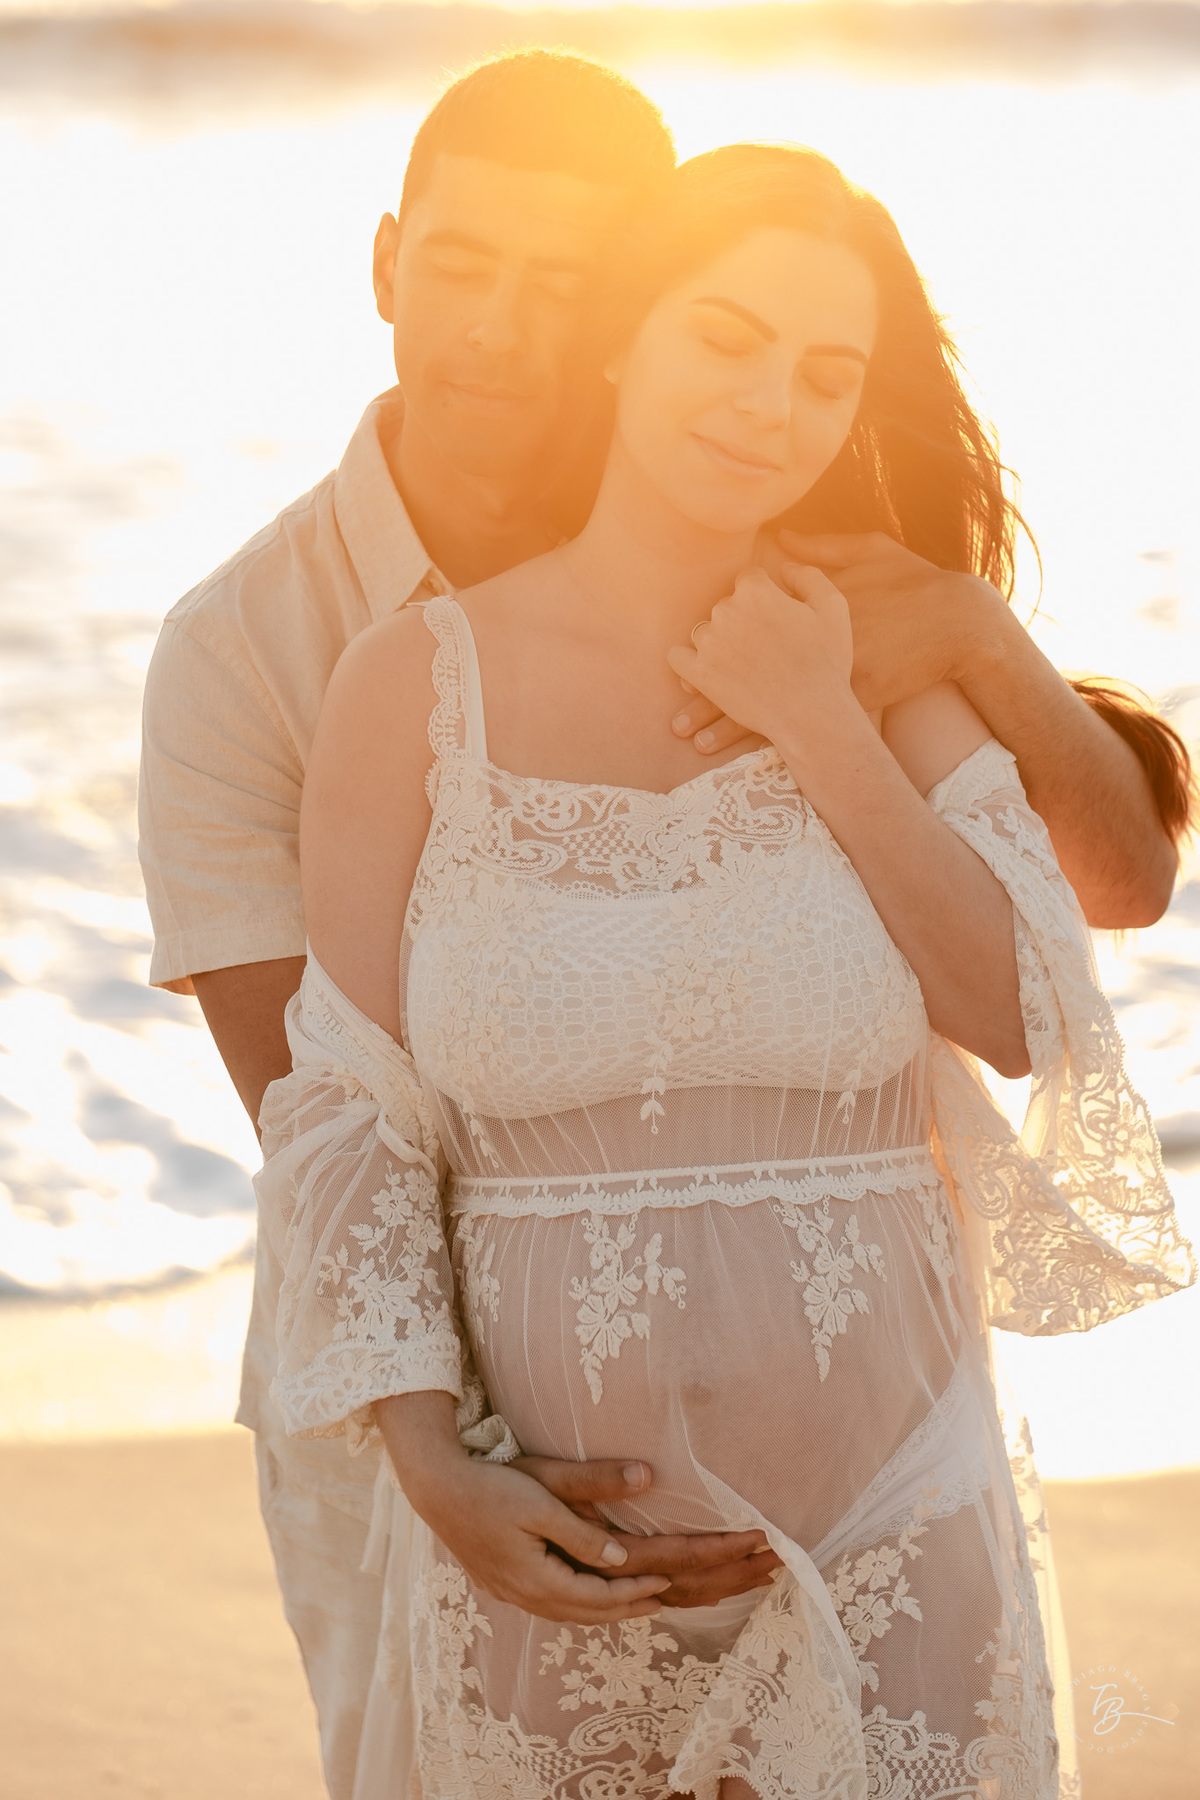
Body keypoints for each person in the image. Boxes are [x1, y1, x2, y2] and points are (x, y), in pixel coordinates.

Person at [137, 50, 1192, 1799]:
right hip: (504, 1497)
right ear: (388, 261)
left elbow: (1053, 975)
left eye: (818, 373)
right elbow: (331, 1108)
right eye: (723, 341)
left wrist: (861, 699)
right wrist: (440, 1455)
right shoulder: (299, 654)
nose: (508, 332)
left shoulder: (841, 610)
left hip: (886, 1510)